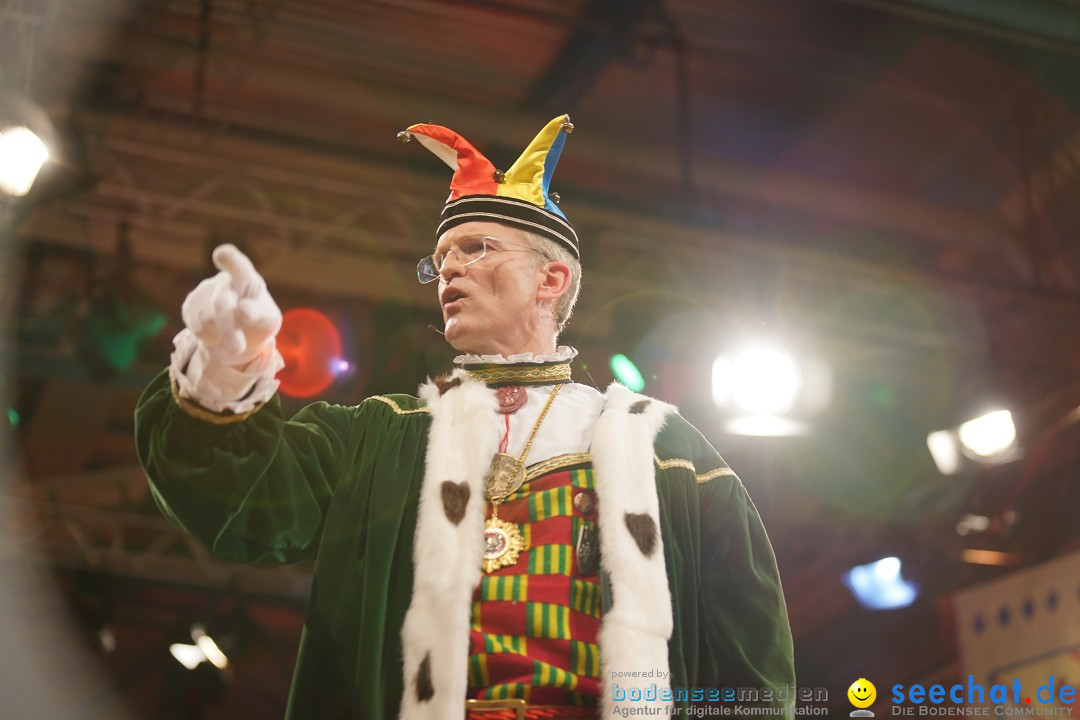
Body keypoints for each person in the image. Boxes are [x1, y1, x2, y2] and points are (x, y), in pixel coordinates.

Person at [135, 115, 795, 720]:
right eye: (441, 257)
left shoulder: (670, 454)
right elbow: (244, 504)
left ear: (552, 280)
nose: (448, 267)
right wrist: (229, 363)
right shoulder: (379, 436)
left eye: (476, 247)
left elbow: (751, 669)